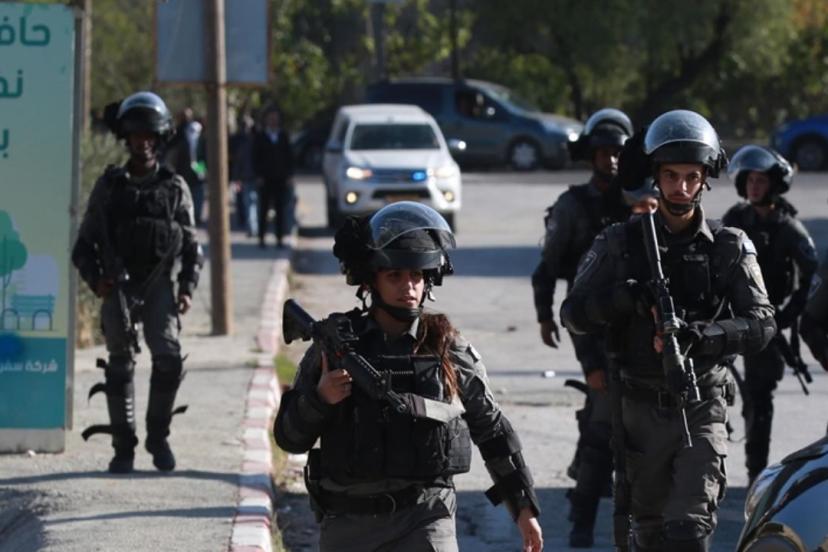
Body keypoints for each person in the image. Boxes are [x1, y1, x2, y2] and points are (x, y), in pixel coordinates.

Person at [561, 110, 776, 551]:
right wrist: (623, 299)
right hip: (639, 407)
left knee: (689, 531)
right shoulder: (619, 242)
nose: (681, 188)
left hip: (702, 402)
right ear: (656, 177)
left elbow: (763, 323)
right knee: (650, 532)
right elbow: (573, 314)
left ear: (705, 179)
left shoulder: (729, 245)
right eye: (671, 176)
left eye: (692, 177)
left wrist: (704, 336)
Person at [273, 202, 543, 552]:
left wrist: (522, 507)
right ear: (372, 280)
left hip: (426, 516)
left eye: (416, 275)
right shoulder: (334, 345)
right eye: (395, 276)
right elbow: (289, 439)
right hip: (349, 521)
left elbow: (492, 430)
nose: (409, 286)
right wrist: (320, 400)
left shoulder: (446, 345)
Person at [72, 91, 204, 474]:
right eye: (135, 136)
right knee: (119, 364)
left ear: (159, 139)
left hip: (159, 283)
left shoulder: (174, 188)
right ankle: (123, 448)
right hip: (119, 286)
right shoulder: (110, 187)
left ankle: (157, 437)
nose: (142, 143)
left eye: (149, 136)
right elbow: (83, 247)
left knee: (168, 358)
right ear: (126, 139)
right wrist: (98, 281)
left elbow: (192, 246)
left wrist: (186, 288)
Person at [531, 108, 632, 547]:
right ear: (591, 156)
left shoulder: (647, 201)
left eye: (618, 153)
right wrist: (545, 315)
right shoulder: (573, 206)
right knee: (601, 429)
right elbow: (548, 268)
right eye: (603, 152)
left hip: (644, 332)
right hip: (592, 325)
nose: (611, 160)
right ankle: (583, 523)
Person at [721, 145, 818, 484]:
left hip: (766, 325)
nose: (754, 187)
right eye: (750, 180)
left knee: (758, 400)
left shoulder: (788, 228)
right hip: (728, 319)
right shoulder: (735, 220)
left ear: (774, 185)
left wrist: (785, 317)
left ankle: (755, 475)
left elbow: (813, 278)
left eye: (761, 181)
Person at [252, 106, 295, 248]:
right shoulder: (260, 136)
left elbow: (289, 157)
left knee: (280, 209)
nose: (273, 121)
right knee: (263, 209)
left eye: (275, 118)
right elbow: (255, 157)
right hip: (265, 179)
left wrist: (289, 175)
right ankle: (261, 238)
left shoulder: (283, 136)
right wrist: (258, 175)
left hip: (280, 178)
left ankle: (279, 238)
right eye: (270, 118)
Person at [166, 107, 206, 225]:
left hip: (197, 168)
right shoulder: (179, 134)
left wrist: (201, 169)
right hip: (183, 170)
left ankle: (196, 216)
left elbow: (202, 155)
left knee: (198, 192)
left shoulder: (198, 133)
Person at [229, 112, 259, 237]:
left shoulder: (256, 141)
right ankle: (252, 227)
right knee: (247, 203)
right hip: (245, 178)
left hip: (253, 178)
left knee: (250, 203)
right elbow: (236, 161)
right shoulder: (239, 141)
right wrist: (236, 177)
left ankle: (253, 227)